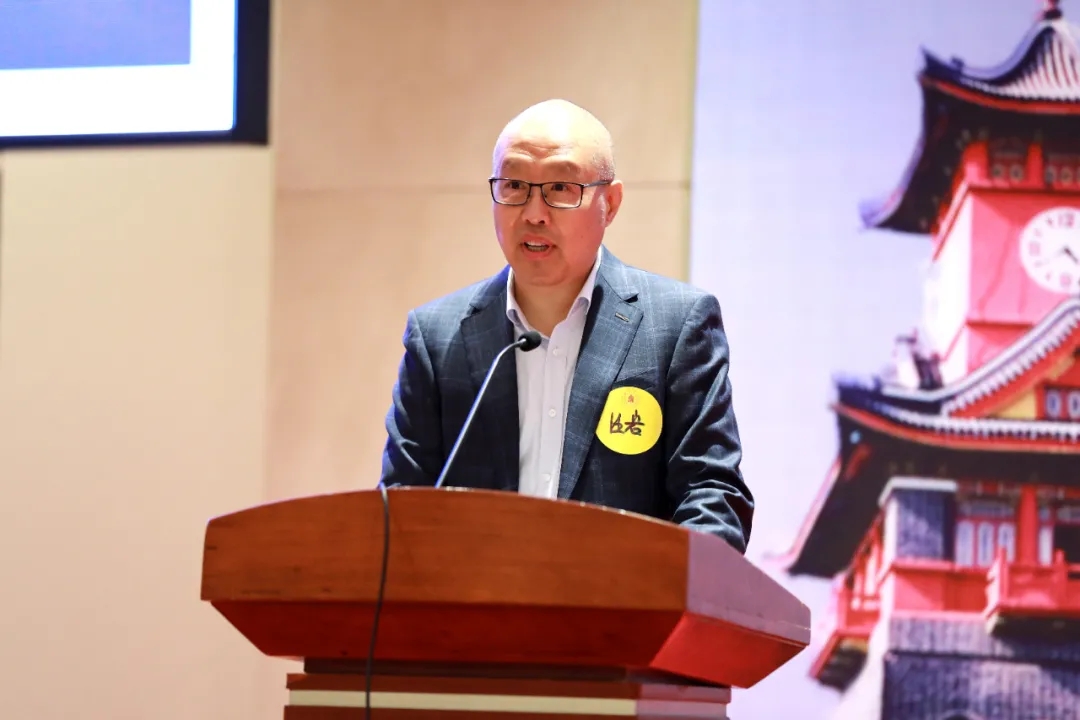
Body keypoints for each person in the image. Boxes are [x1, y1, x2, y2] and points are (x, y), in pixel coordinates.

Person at [379, 99, 754, 553]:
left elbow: (712, 497)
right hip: (478, 598)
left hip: (625, 598)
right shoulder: (438, 338)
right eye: (514, 185)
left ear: (610, 203)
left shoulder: (676, 326)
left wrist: (663, 587)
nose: (534, 213)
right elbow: (400, 512)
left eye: (560, 187)